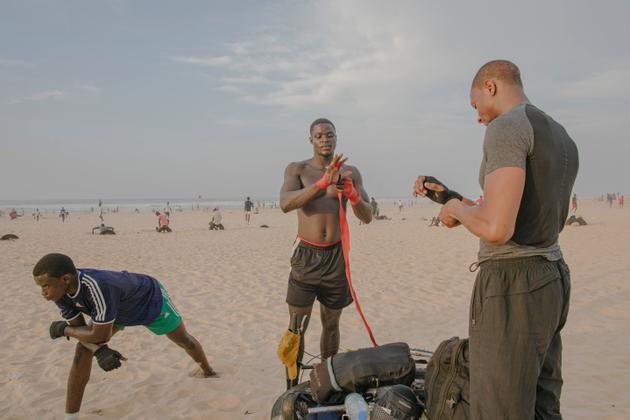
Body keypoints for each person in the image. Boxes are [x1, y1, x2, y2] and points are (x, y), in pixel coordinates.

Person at [414, 60, 578, 419]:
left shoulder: (506, 128)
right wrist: (449, 198)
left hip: (512, 284)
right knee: (542, 403)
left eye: (475, 105)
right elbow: (523, 213)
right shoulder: (561, 135)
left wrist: (456, 207)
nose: (478, 118)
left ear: (490, 87)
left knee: (498, 407)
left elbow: (498, 229)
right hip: (552, 276)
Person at [32, 253, 216, 419]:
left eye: (45, 286)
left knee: (184, 340)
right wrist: (99, 351)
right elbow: (83, 334)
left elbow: (98, 335)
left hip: (149, 300)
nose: (43, 292)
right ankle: (70, 417)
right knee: (82, 349)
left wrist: (63, 330)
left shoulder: (96, 286)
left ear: (65, 279)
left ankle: (208, 370)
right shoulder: (61, 295)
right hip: (114, 311)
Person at [279, 117, 372, 385]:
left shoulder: (350, 172)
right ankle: (291, 389)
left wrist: (353, 195)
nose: (324, 139)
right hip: (306, 256)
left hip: (336, 257)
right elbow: (285, 203)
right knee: (297, 328)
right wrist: (321, 185)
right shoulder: (297, 169)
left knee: (331, 324)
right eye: (319, 135)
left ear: (336, 138)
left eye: (329, 134)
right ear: (311, 140)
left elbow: (367, 216)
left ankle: (326, 383)